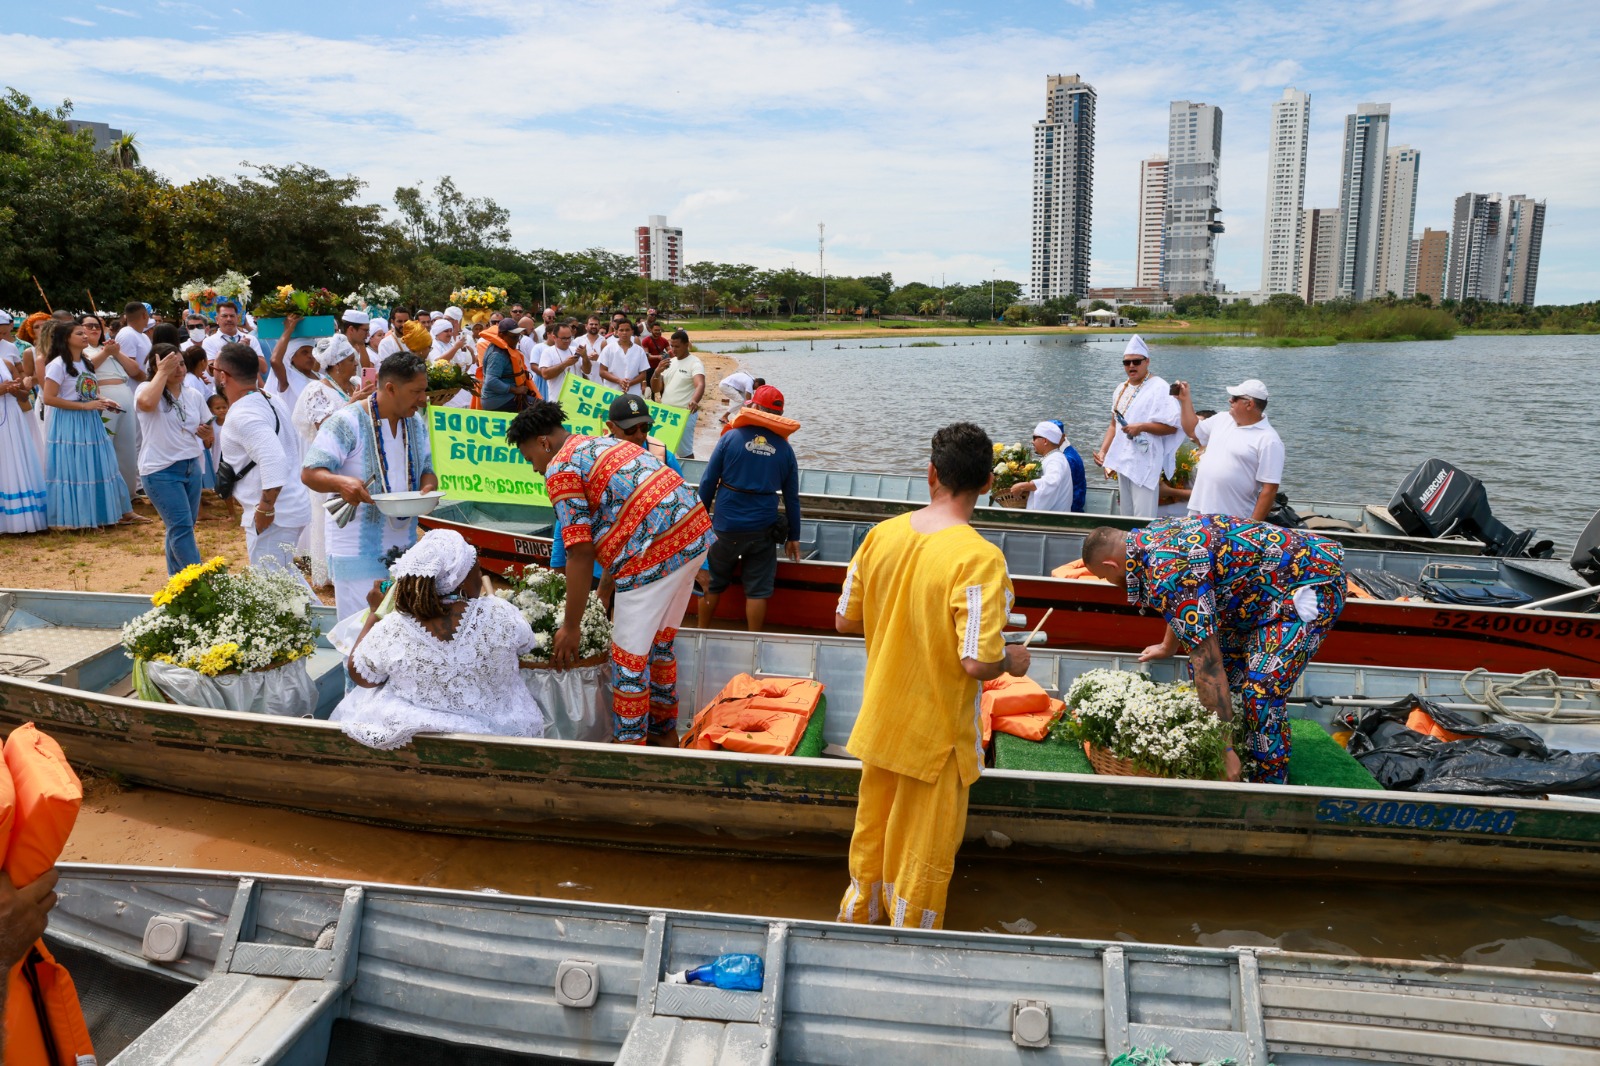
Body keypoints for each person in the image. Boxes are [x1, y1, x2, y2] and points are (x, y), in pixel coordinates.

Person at [835, 421, 1029, 930]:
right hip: (936, 739)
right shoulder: (979, 558)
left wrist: (898, 622)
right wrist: (1011, 661)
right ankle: (910, 942)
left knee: (872, 837)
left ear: (931, 473)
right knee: (920, 858)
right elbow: (976, 662)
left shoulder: (882, 535)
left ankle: (857, 924)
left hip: (881, 722)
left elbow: (844, 619)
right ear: (988, 483)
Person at [1080, 517, 1346, 785]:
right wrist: (1168, 645)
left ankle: (1270, 784)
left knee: (1260, 692)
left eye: (1104, 577)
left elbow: (1209, 666)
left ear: (1111, 565)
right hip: (1257, 592)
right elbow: (1185, 602)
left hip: (1308, 585)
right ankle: (1244, 758)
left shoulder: (1169, 571)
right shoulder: (1152, 536)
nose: (1109, 582)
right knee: (1215, 679)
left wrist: (1224, 750)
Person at [508, 400, 712, 747]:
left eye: (530, 459)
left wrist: (571, 626)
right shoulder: (600, 443)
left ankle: (630, 751)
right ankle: (664, 731)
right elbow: (615, 531)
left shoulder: (560, 468)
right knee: (659, 642)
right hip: (695, 534)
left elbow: (580, 552)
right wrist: (602, 593)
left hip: (655, 551)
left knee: (627, 658)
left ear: (544, 443)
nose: (534, 469)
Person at [333, 530, 546, 749]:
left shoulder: (394, 626)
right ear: (459, 581)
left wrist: (374, 613)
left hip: (413, 742)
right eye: (477, 570)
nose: (481, 578)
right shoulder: (499, 612)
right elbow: (525, 645)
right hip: (501, 737)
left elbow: (362, 677)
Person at [303, 352, 437, 620]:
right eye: (416, 392)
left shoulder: (415, 423)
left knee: (398, 625)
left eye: (424, 391)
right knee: (359, 627)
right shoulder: (347, 421)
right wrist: (341, 482)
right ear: (391, 388)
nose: (423, 399)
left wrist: (428, 488)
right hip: (356, 548)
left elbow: (427, 471)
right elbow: (310, 472)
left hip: (405, 545)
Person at [697, 385, 800, 632]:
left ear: (754, 406)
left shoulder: (730, 438)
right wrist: (794, 536)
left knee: (712, 583)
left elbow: (708, 482)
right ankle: (754, 642)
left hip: (726, 528)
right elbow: (792, 498)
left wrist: (698, 525)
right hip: (763, 530)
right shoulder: (785, 449)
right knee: (757, 591)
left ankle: (701, 633)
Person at [214, 342, 313, 589]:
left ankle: (317, 616)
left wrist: (266, 509)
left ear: (223, 376)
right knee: (284, 582)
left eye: (213, 369)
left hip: (276, 514)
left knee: (272, 587)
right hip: (289, 506)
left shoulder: (243, 415)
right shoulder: (270, 399)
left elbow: (274, 460)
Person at [294, 325, 375, 589]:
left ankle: (357, 561)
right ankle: (329, 571)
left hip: (357, 460)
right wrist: (354, 404)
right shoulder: (316, 390)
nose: (356, 364)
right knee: (328, 514)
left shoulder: (354, 385)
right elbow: (324, 428)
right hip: (329, 464)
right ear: (338, 364)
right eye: (351, 360)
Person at [39, 317, 133, 529]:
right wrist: (84, 407)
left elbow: (90, 391)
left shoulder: (86, 362)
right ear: (66, 338)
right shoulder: (57, 365)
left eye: (84, 333)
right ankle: (78, 519)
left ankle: (100, 514)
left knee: (98, 464)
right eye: (79, 333)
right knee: (77, 466)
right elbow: (49, 398)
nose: (85, 336)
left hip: (90, 421)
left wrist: (104, 400)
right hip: (69, 422)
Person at [135, 344, 212, 574]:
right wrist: (162, 373)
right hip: (160, 470)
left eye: (181, 364)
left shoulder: (193, 394)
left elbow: (208, 435)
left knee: (181, 527)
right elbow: (146, 404)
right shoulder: (146, 389)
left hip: (191, 466)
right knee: (181, 527)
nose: (179, 369)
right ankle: (197, 579)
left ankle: (177, 582)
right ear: (156, 367)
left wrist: (207, 435)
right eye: (172, 365)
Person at [1092, 336, 1181, 518]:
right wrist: (1103, 451)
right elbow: (1113, 425)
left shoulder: (1159, 387)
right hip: (1123, 460)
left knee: (1143, 519)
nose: (1131, 366)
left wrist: (1142, 427)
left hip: (1145, 462)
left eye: (1136, 362)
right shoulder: (1120, 388)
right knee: (1126, 516)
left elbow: (1173, 427)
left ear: (1147, 361)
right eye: (1127, 362)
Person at [1174, 379, 1285, 522]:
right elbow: (1192, 431)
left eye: (1235, 398)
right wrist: (1185, 400)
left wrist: (1251, 525)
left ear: (1249, 404)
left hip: (1235, 518)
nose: (1230, 400)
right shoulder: (1222, 419)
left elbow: (1269, 489)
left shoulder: (1269, 440)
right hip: (1198, 509)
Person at [86, 310, 146, 507]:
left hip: (125, 393)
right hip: (104, 396)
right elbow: (85, 368)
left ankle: (128, 493)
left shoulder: (109, 347)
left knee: (128, 447)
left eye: (97, 326)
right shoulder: (81, 351)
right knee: (107, 446)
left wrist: (115, 352)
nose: (94, 329)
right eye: (89, 326)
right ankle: (107, 496)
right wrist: (106, 353)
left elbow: (134, 370)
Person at [0, 329, 47, 534]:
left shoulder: (7, 363)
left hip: (11, 416)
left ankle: (18, 518)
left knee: (13, 460)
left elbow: (23, 394)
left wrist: (18, 388)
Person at [651, 329, 705, 458]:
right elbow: (656, 389)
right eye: (672, 346)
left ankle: (689, 471)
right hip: (665, 413)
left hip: (684, 413)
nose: (673, 350)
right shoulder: (670, 362)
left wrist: (694, 400)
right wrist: (657, 372)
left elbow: (700, 384)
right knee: (662, 450)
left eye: (677, 346)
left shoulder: (695, 363)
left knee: (685, 452)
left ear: (686, 345)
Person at [1012, 420, 1086, 513]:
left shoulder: (1056, 460)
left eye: (1034, 438)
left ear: (1045, 441)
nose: (1032, 442)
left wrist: (1024, 486)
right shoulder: (1051, 457)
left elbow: (1052, 482)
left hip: (1053, 517)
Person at [268, 313, 321, 413]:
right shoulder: (288, 377)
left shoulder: (322, 377)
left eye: (312, 352)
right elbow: (275, 361)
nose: (310, 356)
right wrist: (288, 330)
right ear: (292, 357)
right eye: (304, 352)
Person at [479, 319, 529, 413]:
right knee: (542, 411)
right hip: (497, 400)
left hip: (506, 397)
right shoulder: (497, 355)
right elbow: (491, 381)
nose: (517, 340)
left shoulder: (505, 349)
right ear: (501, 335)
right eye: (514, 337)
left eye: (519, 336)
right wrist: (516, 390)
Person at [202, 300, 265, 373]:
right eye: (224, 316)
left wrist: (248, 352)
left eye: (232, 316)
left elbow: (263, 369)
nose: (229, 319)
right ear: (217, 319)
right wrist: (238, 350)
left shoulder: (250, 339)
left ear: (237, 319)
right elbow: (211, 371)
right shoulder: (209, 341)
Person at [429, 317, 475, 409]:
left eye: (451, 331)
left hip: (458, 389)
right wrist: (455, 348)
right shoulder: (433, 345)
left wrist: (471, 354)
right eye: (446, 331)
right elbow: (437, 363)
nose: (450, 334)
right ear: (438, 332)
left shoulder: (451, 345)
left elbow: (463, 367)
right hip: (444, 390)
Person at [533, 322, 583, 402]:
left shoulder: (575, 350)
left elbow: (587, 371)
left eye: (569, 338)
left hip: (576, 400)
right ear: (554, 337)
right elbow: (545, 374)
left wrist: (585, 357)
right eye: (564, 338)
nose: (567, 341)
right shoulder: (548, 352)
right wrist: (565, 364)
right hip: (557, 400)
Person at [600, 319, 651, 397]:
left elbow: (643, 374)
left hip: (633, 392)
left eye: (627, 330)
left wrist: (630, 383)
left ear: (632, 331)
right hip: (612, 392)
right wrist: (619, 381)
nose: (624, 333)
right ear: (616, 331)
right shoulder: (608, 349)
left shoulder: (639, 350)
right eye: (621, 330)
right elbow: (602, 371)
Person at [572, 316, 608, 384]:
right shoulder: (578, 341)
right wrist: (586, 357)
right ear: (586, 326)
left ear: (599, 326)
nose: (594, 326)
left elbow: (609, 363)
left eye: (596, 324)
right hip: (582, 380)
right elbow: (574, 360)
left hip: (599, 381)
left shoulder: (605, 341)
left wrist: (598, 358)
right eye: (591, 324)